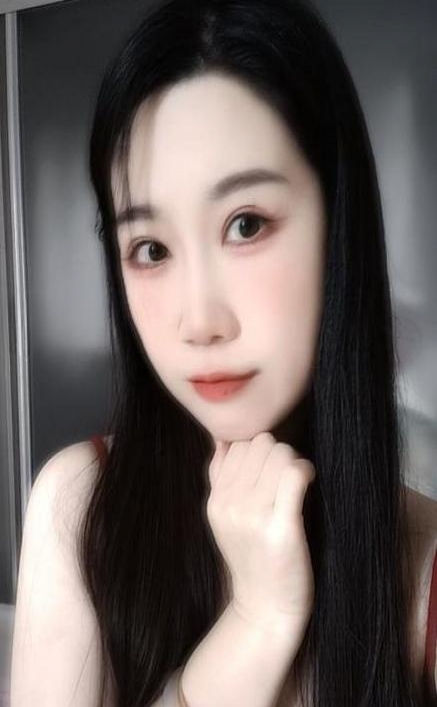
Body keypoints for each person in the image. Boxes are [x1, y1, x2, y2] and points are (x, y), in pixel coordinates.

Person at [9, 0, 437, 705]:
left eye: (245, 225)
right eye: (151, 249)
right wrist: (254, 624)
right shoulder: (81, 508)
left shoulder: (422, 570)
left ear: (338, 227)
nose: (198, 320)